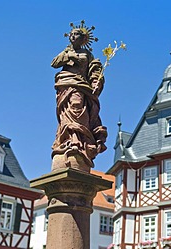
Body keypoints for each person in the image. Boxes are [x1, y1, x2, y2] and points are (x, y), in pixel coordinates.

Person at [51, 22, 107, 169]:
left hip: (80, 85)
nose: (73, 36)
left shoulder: (88, 55)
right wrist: (69, 56)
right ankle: (68, 140)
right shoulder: (65, 52)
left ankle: (79, 142)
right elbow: (54, 63)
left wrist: (96, 82)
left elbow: (95, 71)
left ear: (83, 39)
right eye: (72, 34)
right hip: (64, 85)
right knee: (65, 115)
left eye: (76, 34)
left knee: (77, 109)